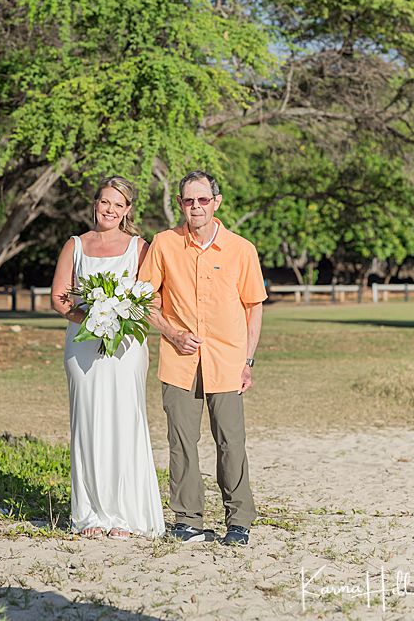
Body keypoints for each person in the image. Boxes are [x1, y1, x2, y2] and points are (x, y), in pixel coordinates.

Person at [138, 170, 265, 547]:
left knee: (231, 442)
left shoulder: (242, 250)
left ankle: (239, 520)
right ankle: (187, 520)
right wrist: (172, 333)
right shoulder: (163, 244)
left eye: (203, 200)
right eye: (189, 201)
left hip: (227, 361)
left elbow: (253, 307)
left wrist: (248, 361)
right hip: (179, 361)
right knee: (181, 441)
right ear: (180, 204)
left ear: (216, 202)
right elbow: (144, 301)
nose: (196, 207)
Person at [50, 176, 165, 539]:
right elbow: (59, 298)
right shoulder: (75, 245)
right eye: (105, 202)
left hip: (127, 350)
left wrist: (120, 316)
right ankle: (91, 514)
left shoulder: (139, 247)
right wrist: (94, 319)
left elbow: (154, 298)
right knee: (88, 422)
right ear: (95, 203)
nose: (110, 210)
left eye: (118, 204)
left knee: (123, 422)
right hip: (82, 346)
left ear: (127, 210)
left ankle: (124, 515)